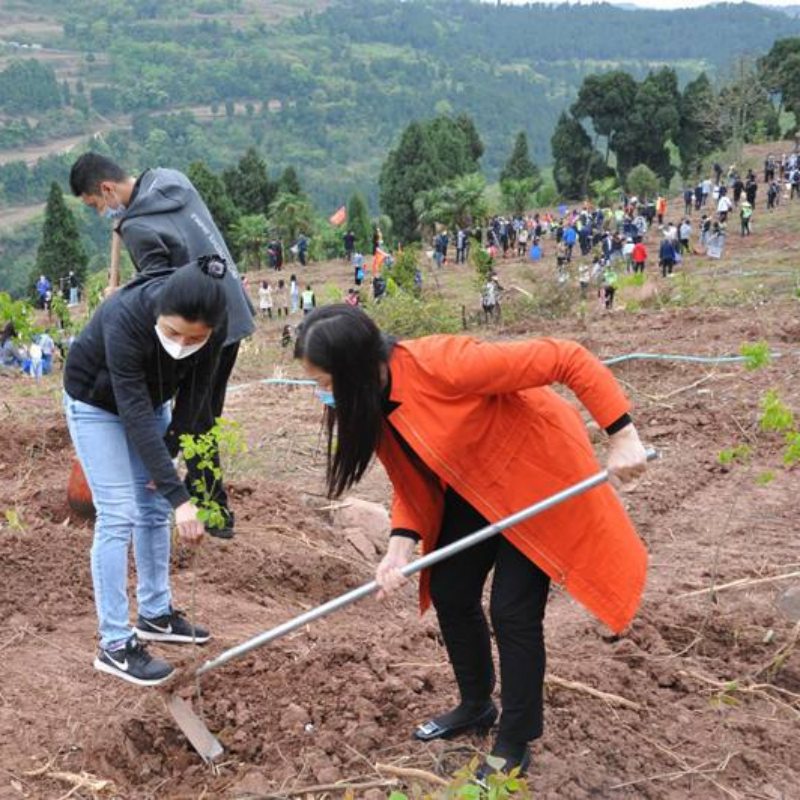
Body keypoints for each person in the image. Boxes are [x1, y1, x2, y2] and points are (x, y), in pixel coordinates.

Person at [295, 305, 648, 780]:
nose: (325, 396)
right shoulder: (375, 403)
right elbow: (411, 484)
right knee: (450, 591)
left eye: (326, 383)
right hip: (474, 489)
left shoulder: (445, 362)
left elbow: (567, 358)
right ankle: (477, 704)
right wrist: (398, 549)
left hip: (535, 480)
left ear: (357, 367)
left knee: (512, 610)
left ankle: (514, 741)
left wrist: (621, 434)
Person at [69, 153, 255, 540]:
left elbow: (159, 292)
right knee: (202, 413)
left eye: (96, 204)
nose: (101, 211)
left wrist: (119, 297)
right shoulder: (171, 180)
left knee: (196, 417)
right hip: (230, 309)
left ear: (106, 189)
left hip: (197, 326)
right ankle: (203, 499)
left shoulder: (137, 227)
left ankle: (212, 511)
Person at [62, 257, 229, 686]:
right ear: (159, 314)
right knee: (119, 512)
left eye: (195, 338)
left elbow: (196, 399)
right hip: (95, 403)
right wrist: (182, 499)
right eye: (173, 333)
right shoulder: (126, 316)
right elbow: (133, 411)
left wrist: (171, 454)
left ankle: (155, 614)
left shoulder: (216, 325)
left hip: (151, 402)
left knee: (152, 502)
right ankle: (114, 644)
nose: (182, 343)